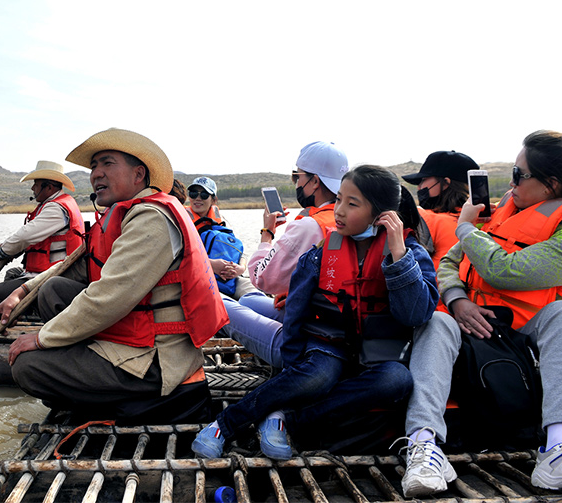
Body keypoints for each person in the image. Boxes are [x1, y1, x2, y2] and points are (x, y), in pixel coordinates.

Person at [192, 165, 438, 460]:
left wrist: (398, 257)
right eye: (339, 200)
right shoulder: (324, 251)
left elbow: (416, 315)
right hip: (328, 347)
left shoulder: (410, 253)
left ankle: (287, 421)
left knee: (397, 379)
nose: (340, 211)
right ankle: (225, 424)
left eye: (352, 203)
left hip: (378, 354)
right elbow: (297, 307)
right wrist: (294, 367)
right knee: (316, 376)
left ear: (382, 214)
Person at [0, 128, 229, 423]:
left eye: (107, 164)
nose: (96, 174)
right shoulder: (122, 214)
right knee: (54, 289)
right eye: (93, 166)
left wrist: (41, 338)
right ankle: (99, 392)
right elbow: (69, 267)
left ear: (138, 175)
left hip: (157, 360)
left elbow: (109, 297)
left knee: (27, 366)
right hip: (129, 337)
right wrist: (22, 292)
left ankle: (138, 400)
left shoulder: (151, 218)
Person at [400, 130, 562, 495]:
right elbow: (448, 261)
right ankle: (424, 445)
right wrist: (457, 299)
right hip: (472, 319)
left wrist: (465, 227)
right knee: (436, 320)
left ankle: (557, 447)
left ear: (551, 184)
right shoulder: (501, 212)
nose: (511, 183)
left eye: (520, 176)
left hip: (526, 331)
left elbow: (506, 268)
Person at [221, 141, 349, 366]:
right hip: (339, 331)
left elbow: (261, 279)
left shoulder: (309, 226)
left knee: (219, 303)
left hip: (303, 344)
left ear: (315, 181)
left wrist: (267, 233)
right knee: (250, 300)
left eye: (296, 176)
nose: (296, 183)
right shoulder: (351, 222)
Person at [0, 161, 85, 312]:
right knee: (11, 274)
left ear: (49, 187)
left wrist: (3, 250)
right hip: (45, 271)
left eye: (36, 184)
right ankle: (18, 307)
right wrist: (13, 250)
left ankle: (27, 309)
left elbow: (25, 236)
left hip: (56, 274)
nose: (32, 188)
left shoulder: (56, 208)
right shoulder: (55, 203)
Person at [402, 150, 479, 270]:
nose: (419, 187)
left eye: (423, 180)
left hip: (440, 288)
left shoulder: (424, 218)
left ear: (445, 183)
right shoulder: (484, 217)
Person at [185, 176, 256, 300]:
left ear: (213, 200)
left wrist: (240, 268)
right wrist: (211, 264)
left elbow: (241, 253)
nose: (197, 198)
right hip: (200, 276)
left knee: (253, 292)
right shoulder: (182, 220)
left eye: (204, 195)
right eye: (193, 193)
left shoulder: (222, 221)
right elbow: (179, 257)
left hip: (230, 277)